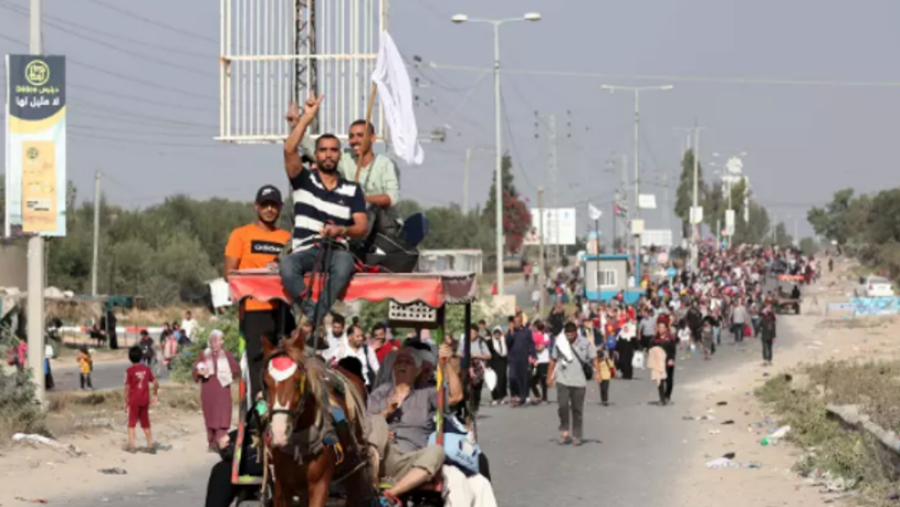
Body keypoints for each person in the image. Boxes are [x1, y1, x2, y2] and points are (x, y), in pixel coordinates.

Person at [281, 94, 369, 327]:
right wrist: (306, 119)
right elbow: (289, 150)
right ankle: (314, 312)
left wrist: (341, 229)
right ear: (316, 154)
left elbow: (361, 226)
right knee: (287, 266)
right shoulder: (303, 181)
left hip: (335, 249)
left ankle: (314, 316)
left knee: (344, 265)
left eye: (333, 150)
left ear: (339, 155)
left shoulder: (352, 189)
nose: (328, 154)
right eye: (323, 150)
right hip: (306, 250)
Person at [224, 184, 294, 400]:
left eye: (274, 205)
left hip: (282, 308)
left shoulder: (287, 237)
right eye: (265, 205)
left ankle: (286, 405)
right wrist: (261, 275)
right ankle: (259, 410)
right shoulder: (241, 235)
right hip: (254, 308)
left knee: (290, 358)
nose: (270, 209)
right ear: (256, 206)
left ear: (280, 207)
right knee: (257, 360)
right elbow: (229, 273)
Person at [547, 322, 598, 445]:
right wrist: (549, 376)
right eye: (567, 334)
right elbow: (553, 360)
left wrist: (598, 373)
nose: (569, 337)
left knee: (577, 409)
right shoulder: (560, 343)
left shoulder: (585, 343)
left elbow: (594, 357)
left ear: (576, 332)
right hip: (562, 379)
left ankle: (577, 435)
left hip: (579, 381)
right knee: (562, 406)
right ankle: (565, 430)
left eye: (571, 334)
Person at [193, 330, 240, 452]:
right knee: (210, 416)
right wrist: (200, 372)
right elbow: (195, 371)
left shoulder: (227, 354)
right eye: (219, 340)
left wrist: (227, 372)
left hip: (223, 390)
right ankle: (212, 442)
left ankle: (221, 442)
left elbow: (235, 370)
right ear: (212, 341)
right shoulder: (203, 354)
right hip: (209, 390)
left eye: (222, 340)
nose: (221, 342)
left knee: (223, 416)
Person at [124, 345, 158, 453]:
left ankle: (132, 445)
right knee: (145, 422)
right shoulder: (146, 369)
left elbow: (127, 388)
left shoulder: (129, 371)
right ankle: (150, 444)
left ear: (130, 358)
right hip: (144, 400)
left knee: (131, 423)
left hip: (134, 400)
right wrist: (154, 394)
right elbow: (155, 382)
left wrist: (125, 401)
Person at [330, 324, 380, 389]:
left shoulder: (368, 350)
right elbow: (331, 367)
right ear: (349, 337)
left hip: (365, 387)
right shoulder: (340, 350)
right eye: (358, 336)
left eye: (361, 336)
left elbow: (376, 369)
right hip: (346, 387)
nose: (361, 338)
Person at [458, 325, 491, 414]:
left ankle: (475, 407)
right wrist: (465, 355)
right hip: (467, 367)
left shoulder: (481, 342)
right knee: (466, 387)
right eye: (469, 333)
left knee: (477, 388)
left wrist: (477, 355)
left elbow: (488, 356)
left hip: (478, 368)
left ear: (476, 333)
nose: (471, 335)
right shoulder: (464, 342)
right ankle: (467, 408)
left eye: (473, 333)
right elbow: (458, 354)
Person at [505, 313, 535, 407]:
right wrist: (511, 332)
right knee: (512, 377)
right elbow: (507, 343)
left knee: (523, 378)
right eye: (515, 322)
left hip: (524, 358)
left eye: (518, 321)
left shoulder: (527, 331)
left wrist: (533, 356)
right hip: (513, 358)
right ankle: (515, 395)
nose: (516, 323)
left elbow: (531, 344)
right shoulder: (510, 332)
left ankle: (523, 397)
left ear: (521, 321)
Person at [649, 322, 677, 406]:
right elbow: (650, 349)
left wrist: (671, 359)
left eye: (662, 327)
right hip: (658, 362)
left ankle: (667, 395)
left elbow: (673, 350)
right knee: (659, 380)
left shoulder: (670, 338)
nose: (661, 329)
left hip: (668, 361)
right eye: (659, 327)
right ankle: (662, 398)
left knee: (669, 380)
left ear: (665, 328)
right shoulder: (654, 339)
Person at [485, 326, 508, 406]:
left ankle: (501, 397)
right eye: (495, 333)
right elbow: (487, 353)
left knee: (501, 380)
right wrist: (487, 364)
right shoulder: (490, 342)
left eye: (498, 333)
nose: (497, 335)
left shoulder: (504, 341)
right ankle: (495, 398)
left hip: (502, 363)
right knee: (493, 381)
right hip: (493, 363)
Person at [529, 321, 550, 404]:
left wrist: (532, 347)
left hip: (543, 360)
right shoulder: (532, 336)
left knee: (543, 380)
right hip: (534, 361)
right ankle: (537, 395)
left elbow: (540, 349)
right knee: (531, 379)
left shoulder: (545, 336)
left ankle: (544, 398)